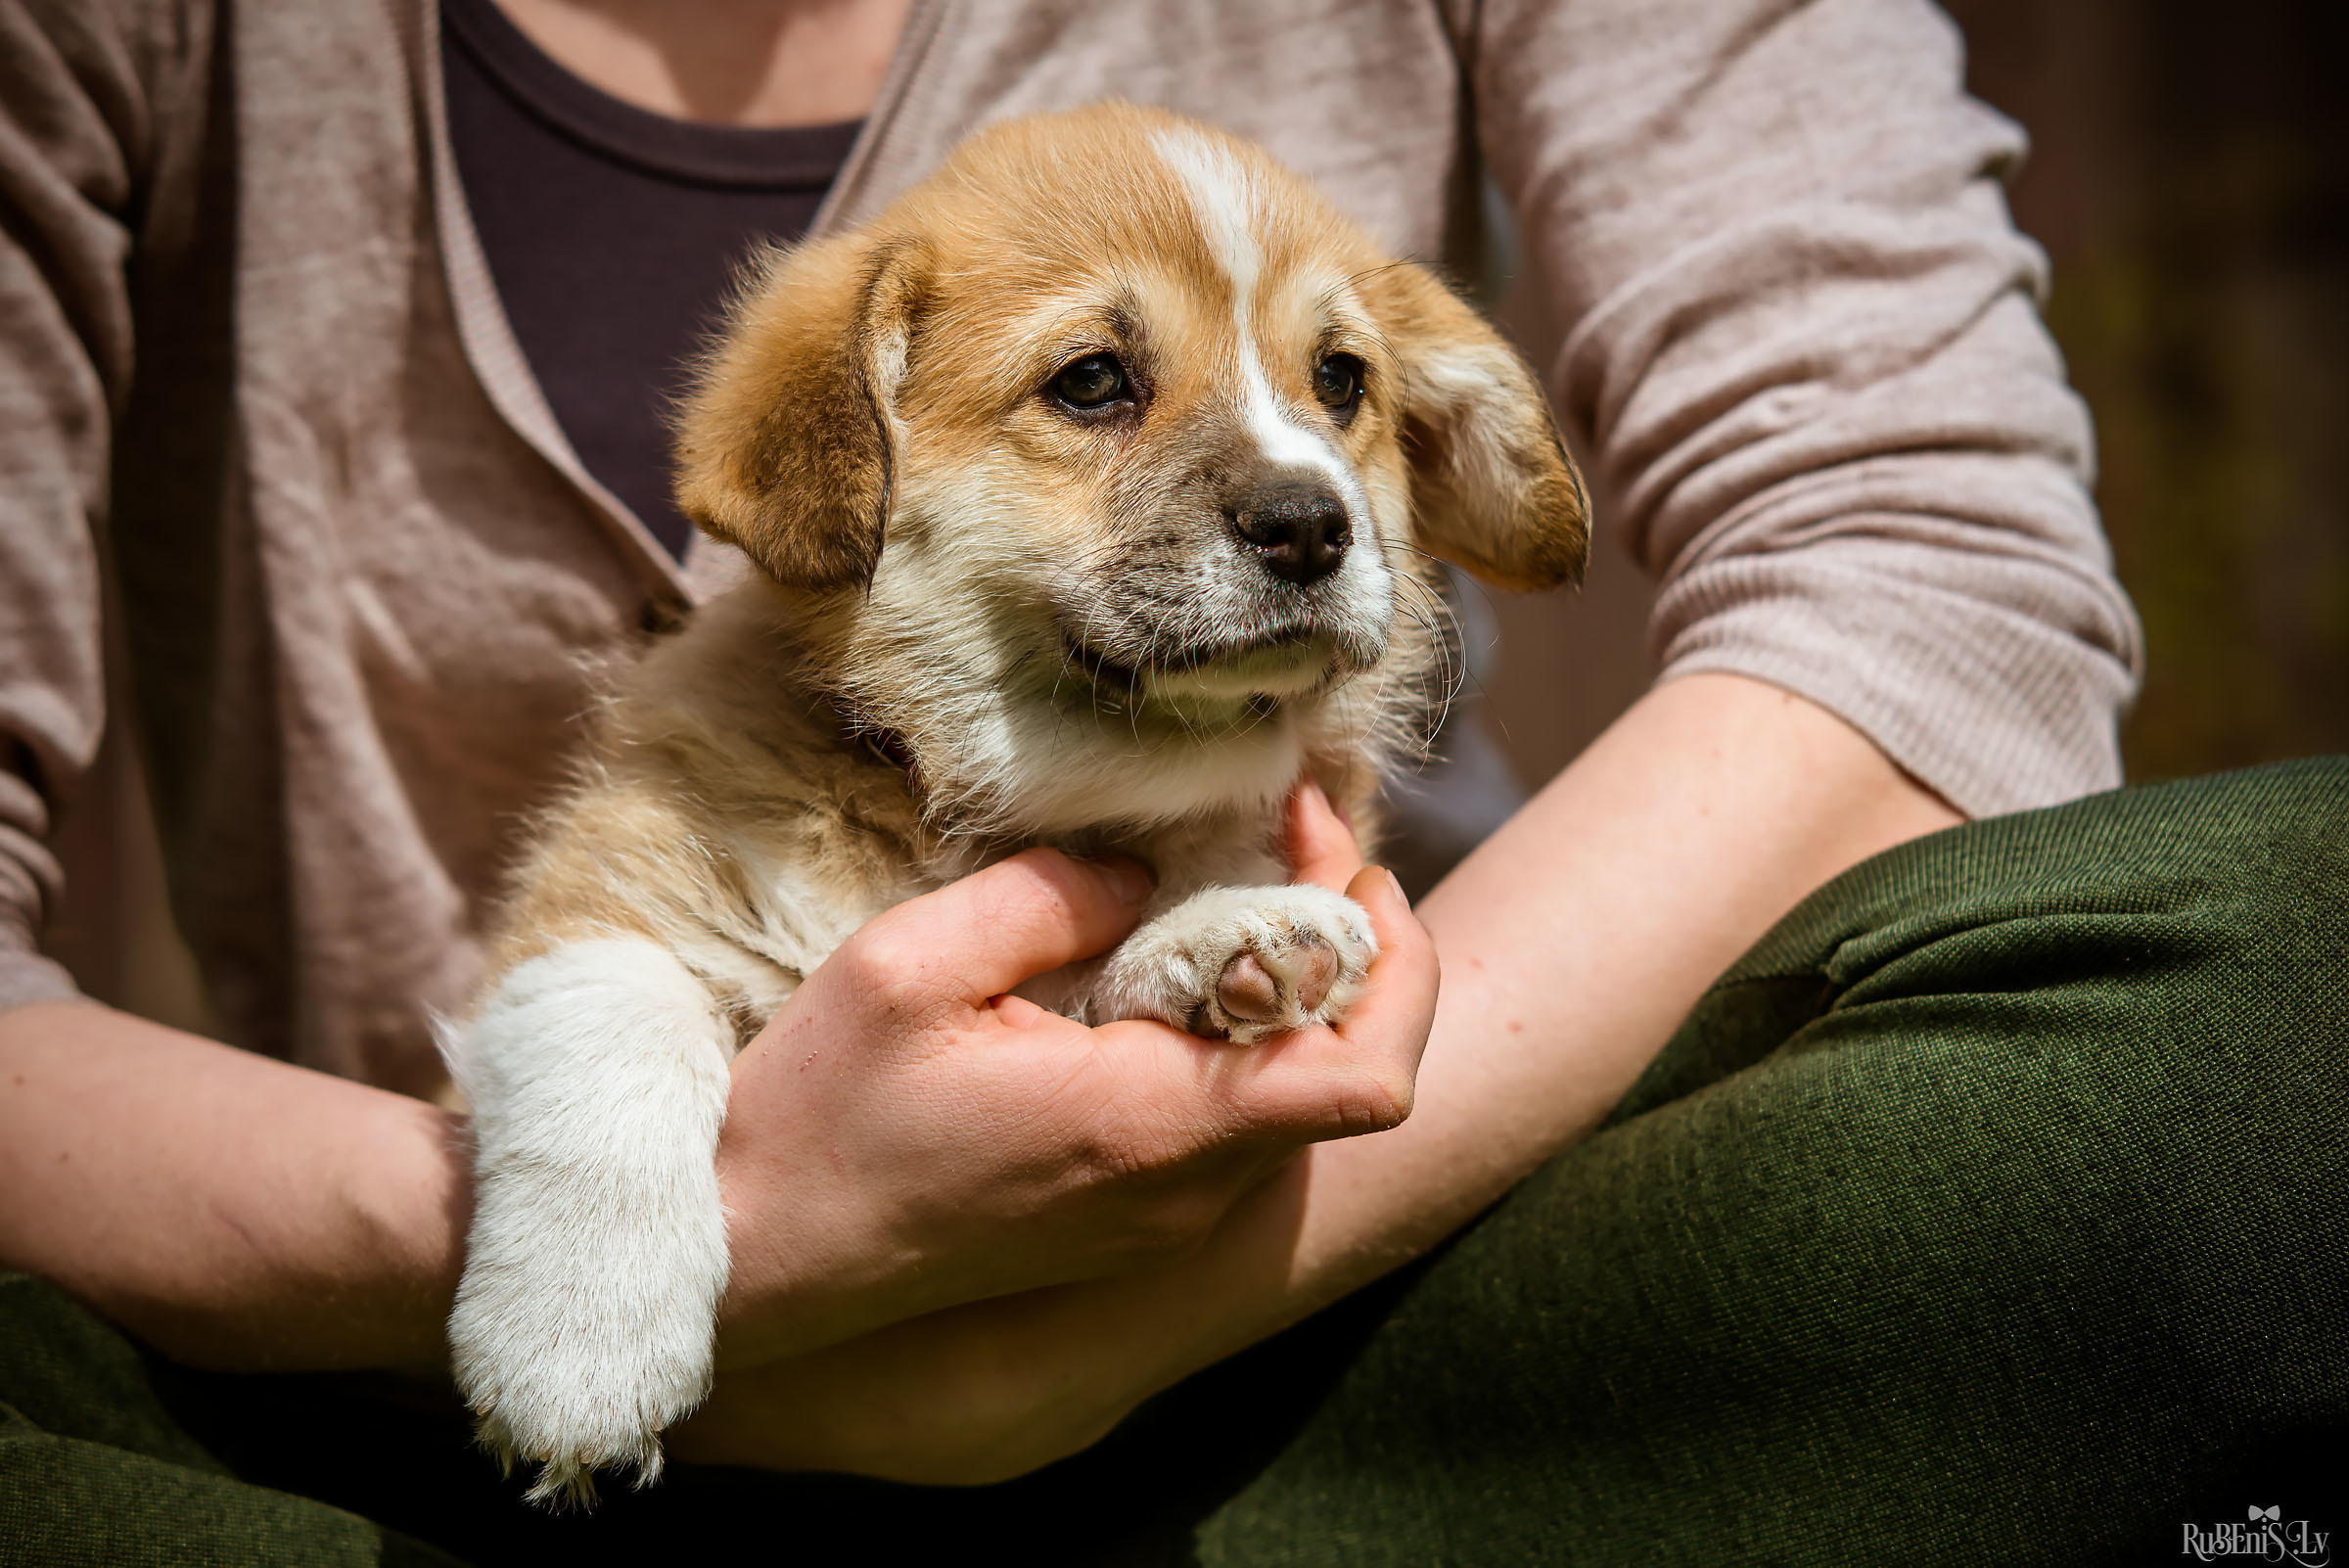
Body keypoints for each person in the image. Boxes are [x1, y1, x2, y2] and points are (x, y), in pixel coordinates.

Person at [0, 1, 2338, 1562]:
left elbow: (1938, 567)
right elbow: (599, 973)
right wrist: (693, 1274)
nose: (1298, 480)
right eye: (1102, 387)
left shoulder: (1343, 557)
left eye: (1336, 388)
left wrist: (1133, 1281)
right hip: (519, 1413)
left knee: (2294, 958)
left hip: (1361, 1319)